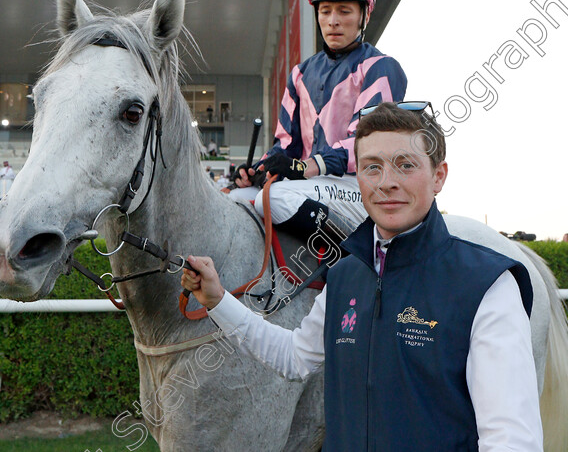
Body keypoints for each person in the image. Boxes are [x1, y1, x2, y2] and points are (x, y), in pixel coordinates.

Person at [183, 102, 542, 450]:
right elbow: (293, 357)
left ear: (439, 176)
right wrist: (218, 301)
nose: (387, 182)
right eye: (372, 167)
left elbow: (511, 440)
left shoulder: (488, 285)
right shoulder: (344, 276)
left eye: (405, 165)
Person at [230, 0, 407, 242]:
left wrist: (305, 167)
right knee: (237, 198)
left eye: (344, 11)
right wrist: (257, 170)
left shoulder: (381, 67)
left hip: (359, 186)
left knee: (275, 197)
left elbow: (366, 144)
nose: (333, 21)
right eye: (325, 11)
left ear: (365, 15)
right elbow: (286, 145)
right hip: (310, 186)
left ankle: (352, 262)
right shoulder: (299, 73)